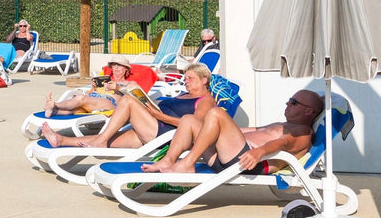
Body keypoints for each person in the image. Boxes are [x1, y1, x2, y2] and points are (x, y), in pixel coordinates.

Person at [40, 63, 221, 151]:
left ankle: (100, 141)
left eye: (190, 78)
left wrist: (159, 117)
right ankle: (61, 141)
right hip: (154, 126)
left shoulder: (205, 100)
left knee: (127, 101)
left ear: (204, 80)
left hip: (165, 134)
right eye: (185, 77)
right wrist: (149, 105)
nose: (185, 81)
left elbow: (196, 124)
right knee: (109, 138)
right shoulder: (184, 94)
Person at [142, 88, 321, 174]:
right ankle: (168, 160)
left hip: (247, 162)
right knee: (190, 120)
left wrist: (259, 152)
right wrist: (210, 131)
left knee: (216, 113)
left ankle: (188, 163)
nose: (288, 104)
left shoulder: (303, 134)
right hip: (229, 156)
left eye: (294, 103)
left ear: (309, 111)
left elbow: (281, 143)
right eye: (290, 100)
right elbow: (246, 130)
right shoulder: (282, 124)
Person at [41, 60, 143, 117]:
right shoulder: (105, 80)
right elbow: (90, 94)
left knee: (81, 99)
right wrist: (93, 88)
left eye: (119, 66)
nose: (116, 68)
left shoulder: (130, 83)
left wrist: (119, 87)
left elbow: (136, 98)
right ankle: (54, 111)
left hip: (111, 103)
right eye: (114, 66)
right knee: (78, 107)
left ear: (126, 69)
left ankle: (55, 105)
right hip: (93, 99)